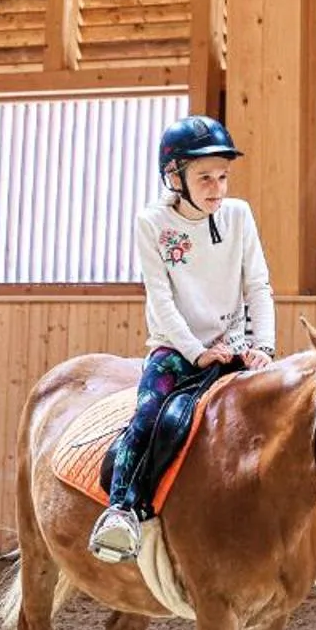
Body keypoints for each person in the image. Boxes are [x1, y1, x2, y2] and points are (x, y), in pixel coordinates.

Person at [88, 114, 277, 563]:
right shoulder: (152, 223)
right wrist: (196, 351)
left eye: (223, 177)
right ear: (175, 177)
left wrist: (263, 347)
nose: (217, 188)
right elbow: (161, 300)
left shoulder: (239, 215)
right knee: (151, 415)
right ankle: (122, 510)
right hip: (176, 349)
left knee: (295, 414)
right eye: (205, 178)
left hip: (237, 345)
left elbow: (258, 286)